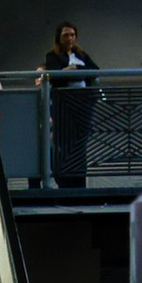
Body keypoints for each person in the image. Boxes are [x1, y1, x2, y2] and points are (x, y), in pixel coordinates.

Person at [41, 22, 99, 189]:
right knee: (64, 142)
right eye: (66, 35)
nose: (70, 38)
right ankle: (65, 181)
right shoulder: (52, 56)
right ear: (59, 38)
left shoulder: (81, 54)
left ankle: (79, 181)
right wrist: (68, 71)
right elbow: (54, 76)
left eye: (72, 35)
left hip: (82, 103)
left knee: (80, 143)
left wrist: (76, 69)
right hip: (64, 103)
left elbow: (94, 70)